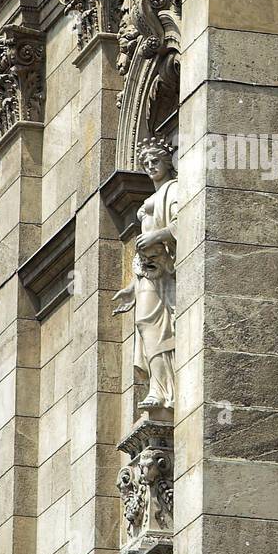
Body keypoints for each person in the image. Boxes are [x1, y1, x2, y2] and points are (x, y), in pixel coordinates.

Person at [113, 138, 178, 411]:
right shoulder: (152, 197)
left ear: (168, 163)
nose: (151, 166)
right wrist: (131, 285)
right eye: (146, 163)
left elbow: (182, 222)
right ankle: (157, 386)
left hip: (164, 270)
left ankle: (165, 390)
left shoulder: (174, 190)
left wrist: (156, 234)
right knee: (144, 325)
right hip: (146, 274)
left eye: (156, 161)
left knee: (156, 327)